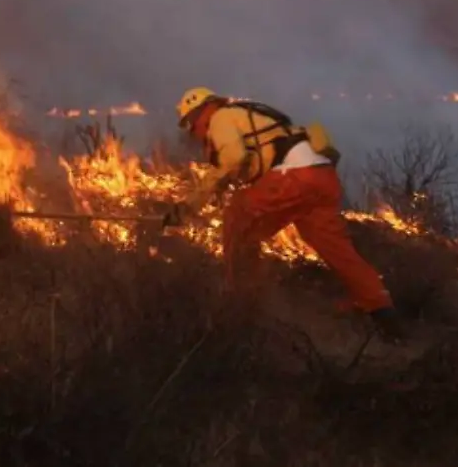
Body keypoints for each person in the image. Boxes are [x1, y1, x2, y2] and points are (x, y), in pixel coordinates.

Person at [170, 86, 406, 342]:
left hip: (293, 177)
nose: (193, 133)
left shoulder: (219, 117)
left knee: (236, 217)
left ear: (198, 113)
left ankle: (240, 301)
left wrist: (188, 206)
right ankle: (384, 315)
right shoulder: (246, 115)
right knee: (339, 251)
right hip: (322, 179)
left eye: (190, 126)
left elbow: (234, 158)